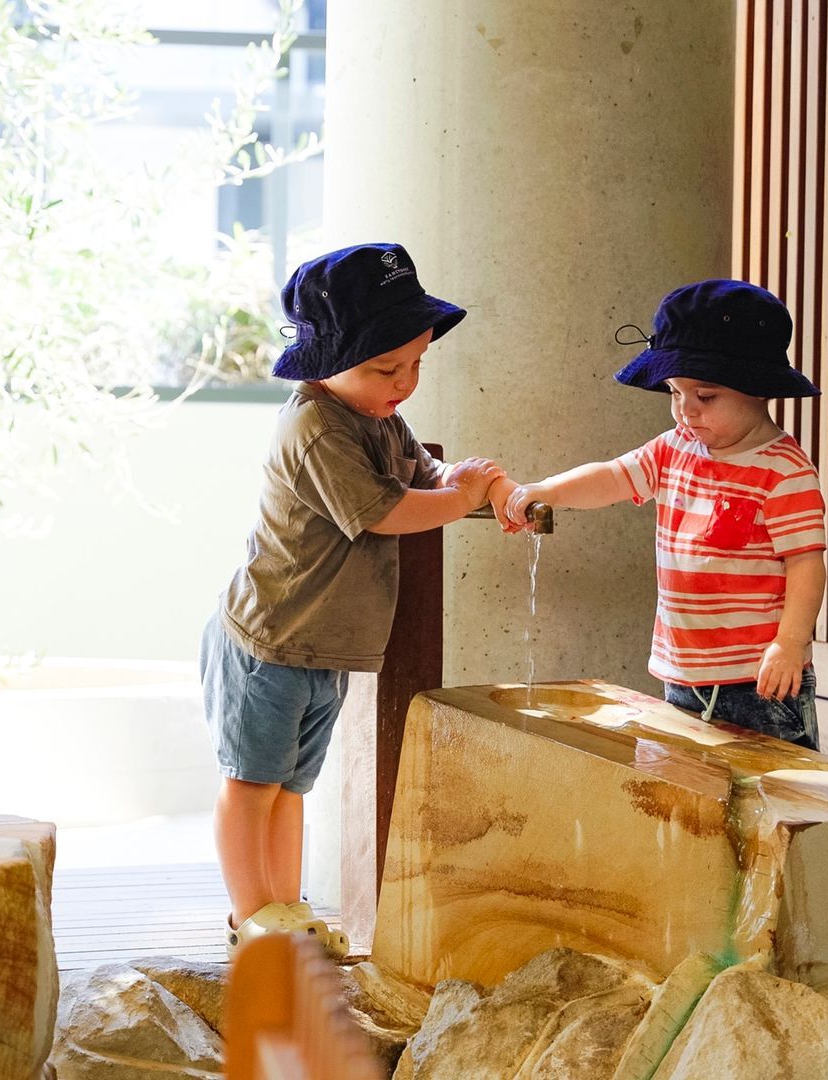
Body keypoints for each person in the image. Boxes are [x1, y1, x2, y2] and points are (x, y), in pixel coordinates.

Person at [206, 242, 512, 955]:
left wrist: (474, 482)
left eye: (414, 365)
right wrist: (455, 495)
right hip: (270, 640)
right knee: (251, 783)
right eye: (385, 367)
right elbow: (387, 510)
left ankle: (284, 908)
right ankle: (250, 914)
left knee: (290, 788)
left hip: (324, 645)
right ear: (327, 360)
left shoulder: (378, 415)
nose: (403, 383)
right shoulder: (314, 426)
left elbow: (425, 473)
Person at [502, 279, 828, 748]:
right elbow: (614, 476)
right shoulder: (676, 449)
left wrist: (791, 642)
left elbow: (805, 563)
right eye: (676, 393)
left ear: (758, 389)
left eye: (706, 396)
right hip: (683, 674)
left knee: (770, 800)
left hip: (757, 683)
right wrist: (548, 489)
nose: (685, 411)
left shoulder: (783, 472)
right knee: (688, 801)